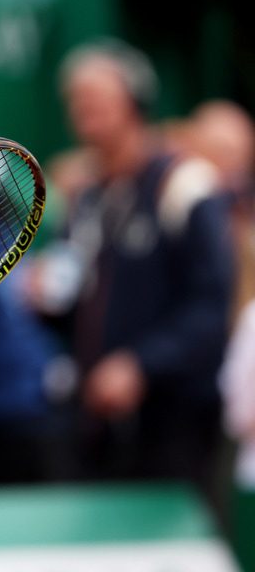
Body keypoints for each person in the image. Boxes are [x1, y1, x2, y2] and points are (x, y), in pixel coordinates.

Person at [46, 40, 233, 500]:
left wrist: (141, 365)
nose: (83, 111)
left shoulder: (184, 184)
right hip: (96, 426)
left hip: (175, 425)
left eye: (96, 99)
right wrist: (44, 298)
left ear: (134, 102)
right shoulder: (85, 197)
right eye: (76, 101)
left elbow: (212, 305)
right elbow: (75, 300)